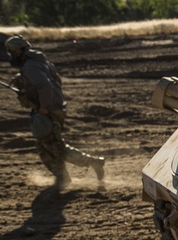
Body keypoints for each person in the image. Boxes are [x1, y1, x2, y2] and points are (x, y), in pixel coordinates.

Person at [4, 35, 104, 188]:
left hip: (47, 110)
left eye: (11, 52)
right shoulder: (41, 62)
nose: (11, 55)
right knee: (44, 146)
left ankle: (93, 162)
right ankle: (62, 177)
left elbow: (45, 86)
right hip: (55, 108)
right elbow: (55, 81)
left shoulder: (30, 66)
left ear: (18, 50)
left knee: (54, 146)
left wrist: (44, 107)